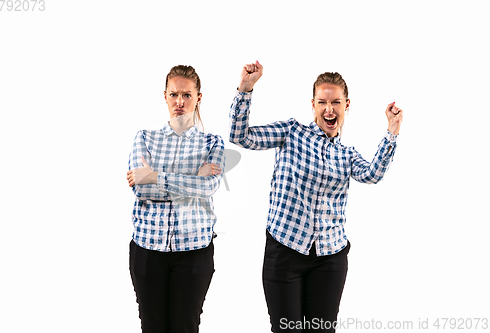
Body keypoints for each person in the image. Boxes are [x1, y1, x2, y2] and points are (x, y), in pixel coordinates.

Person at [229, 61, 403, 332]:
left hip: (330, 258)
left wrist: (392, 131)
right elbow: (240, 136)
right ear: (313, 105)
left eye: (336, 102)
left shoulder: (347, 155)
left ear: (347, 106)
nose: (329, 109)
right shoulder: (291, 132)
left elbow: (372, 174)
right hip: (285, 252)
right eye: (322, 102)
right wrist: (245, 89)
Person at [126, 65, 225, 333]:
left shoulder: (212, 143)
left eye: (187, 95)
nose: (179, 102)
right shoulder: (145, 138)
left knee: (186, 326)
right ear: (165, 96)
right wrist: (192, 178)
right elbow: (140, 190)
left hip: (194, 252)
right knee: (152, 327)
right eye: (173, 95)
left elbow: (208, 187)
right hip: (148, 249)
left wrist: (155, 176)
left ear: (198, 97)